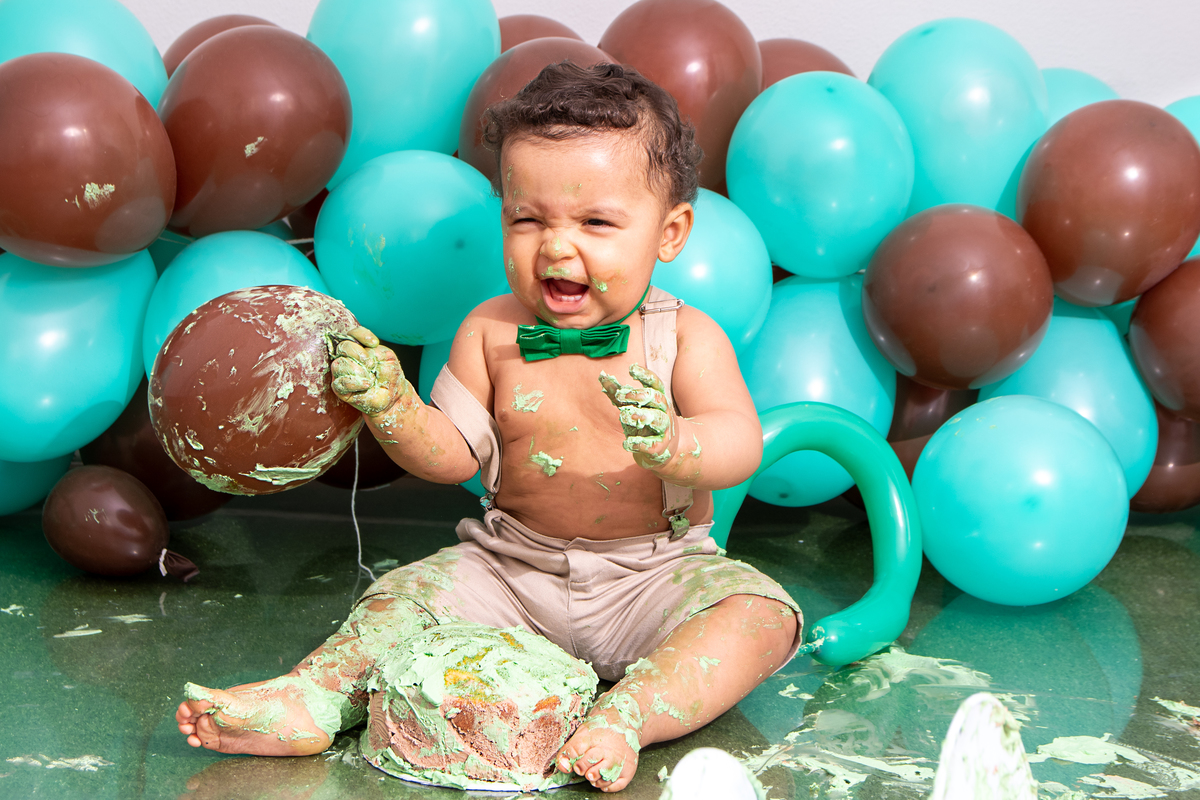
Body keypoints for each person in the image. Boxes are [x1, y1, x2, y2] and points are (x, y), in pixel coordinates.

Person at [176, 61, 801, 793]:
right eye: (527, 219)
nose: (556, 247)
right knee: (404, 597)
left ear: (670, 233)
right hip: (509, 574)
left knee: (761, 616)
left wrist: (677, 445)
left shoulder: (687, 337)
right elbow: (452, 456)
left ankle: (630, 715)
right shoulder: (489, 331)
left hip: (652, 577)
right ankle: (313, 695)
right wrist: (395, 407)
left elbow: (739, 443)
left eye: (596, 223)